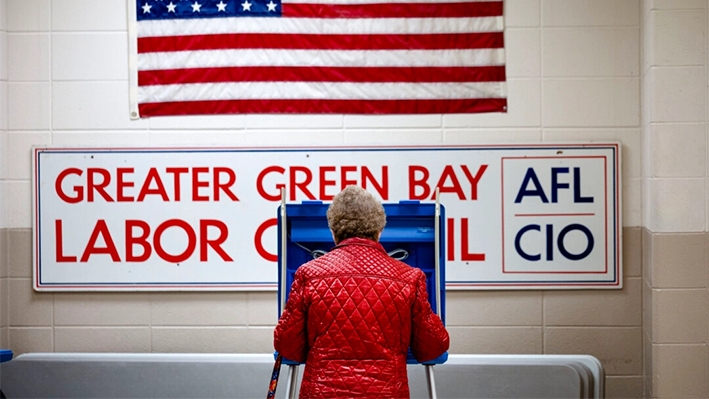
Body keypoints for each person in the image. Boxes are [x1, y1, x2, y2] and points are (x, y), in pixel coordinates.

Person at [274, 185, 450, 398]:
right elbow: (432, 348)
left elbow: (287, 346)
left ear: (333, 231)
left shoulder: (308, 274)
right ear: (379, 231)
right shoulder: (410, 277)